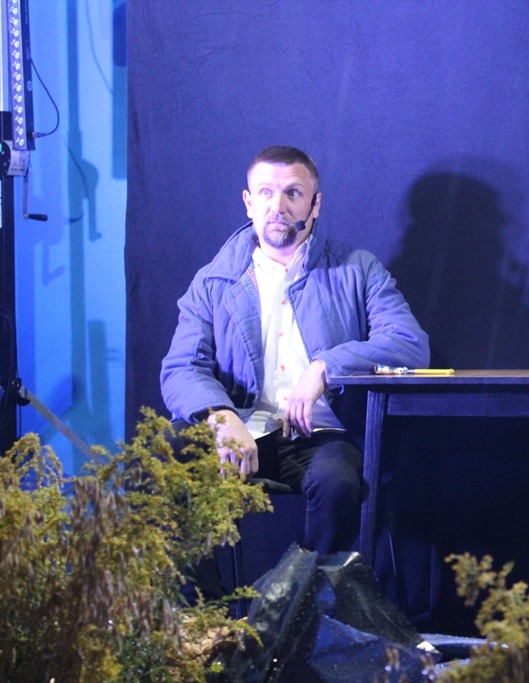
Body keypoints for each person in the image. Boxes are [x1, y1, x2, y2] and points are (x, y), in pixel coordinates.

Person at [161, 145, 430, 557]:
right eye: (266, 193)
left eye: (293, 193)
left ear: (315, 204)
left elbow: (409, 343)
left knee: (337, 484)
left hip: (323, 437)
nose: (278, 206)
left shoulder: (357, 268)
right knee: (165, 454)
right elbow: (182, 368)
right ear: (248, 203)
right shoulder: (213, 280)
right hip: (239, 430)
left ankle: (302, 593)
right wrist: (221, 417)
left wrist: (325, 368)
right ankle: (203, 598)